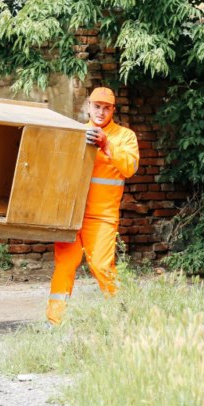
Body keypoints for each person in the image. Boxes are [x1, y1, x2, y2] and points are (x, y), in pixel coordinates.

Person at [46, 86, 140, 325]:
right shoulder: (76, 133)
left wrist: (107, 146)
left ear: (113, 110)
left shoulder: (125, 136)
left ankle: (125, 317)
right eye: (97, 106)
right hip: (71, 213)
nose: (101, 112)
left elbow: (130, 168)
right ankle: (55, 321)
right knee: (65, 265)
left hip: (102, 216)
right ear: (88, 106)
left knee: (101, 266)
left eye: (106, 108)